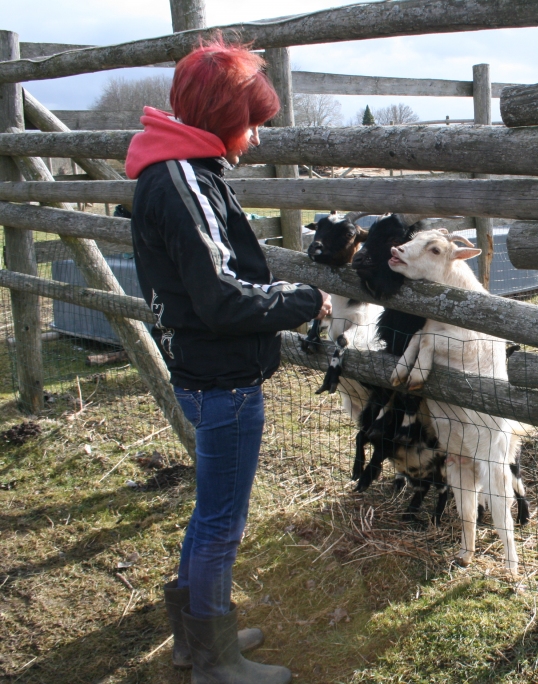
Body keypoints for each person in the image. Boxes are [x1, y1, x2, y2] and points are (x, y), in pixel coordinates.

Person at [126, 39, 330, 684]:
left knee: (208, 512)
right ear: (222, 117)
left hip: (201, 369)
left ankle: (196, 639)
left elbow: (205, 283)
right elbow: (221, 298)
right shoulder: (185, 181)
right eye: (251, 122)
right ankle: (216, 661)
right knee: (221, 522)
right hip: (224, 380)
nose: (256, 137)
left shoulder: (176, 171)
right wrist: (304, 299)